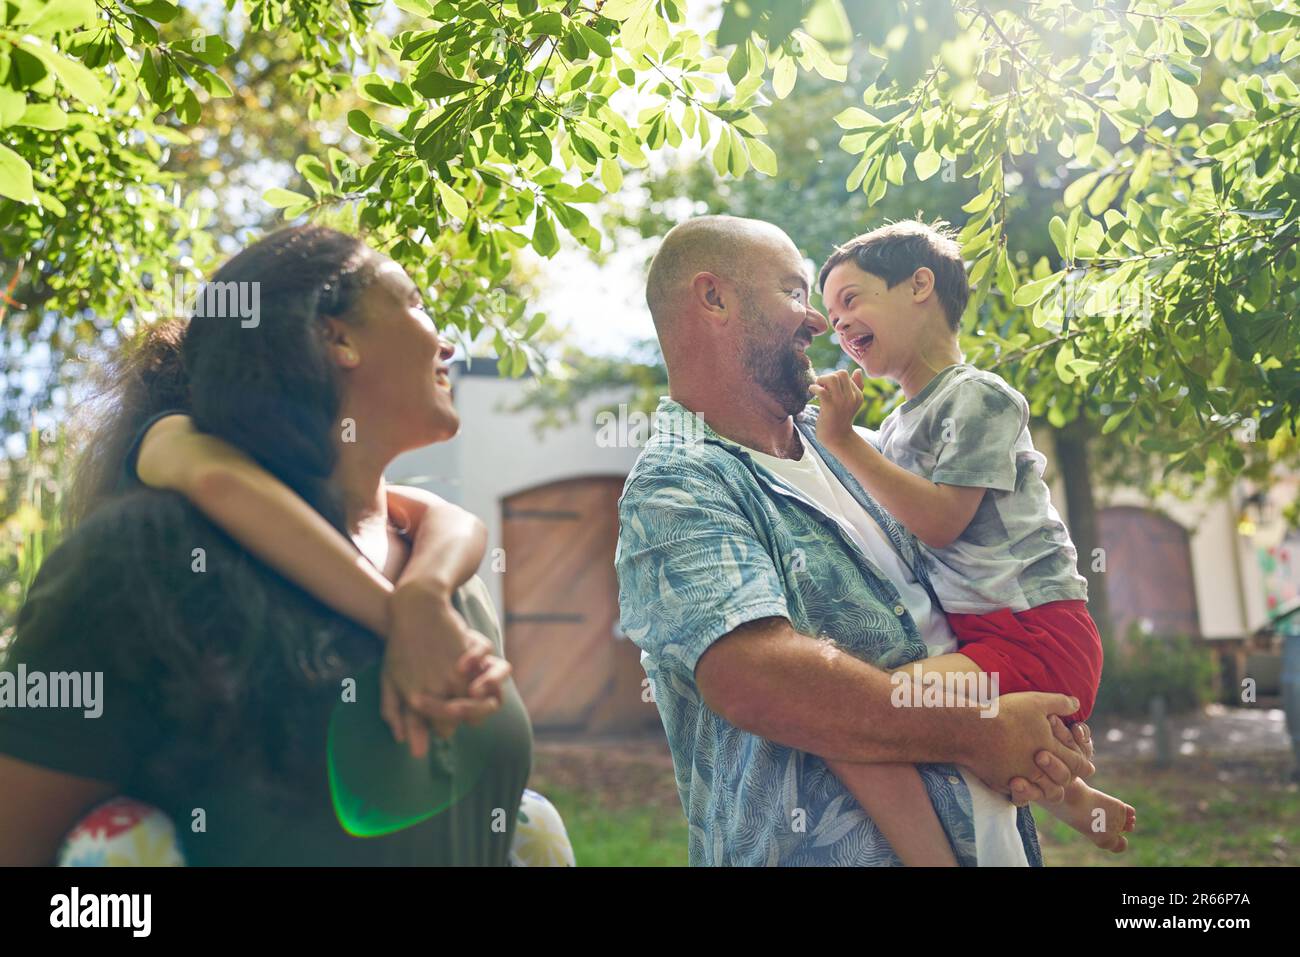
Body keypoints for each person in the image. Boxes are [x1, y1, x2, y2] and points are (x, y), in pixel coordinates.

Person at [0, 225, 532, 865]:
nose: (446, 341)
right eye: (415, 302)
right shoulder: (149, 559)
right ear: (336, 337)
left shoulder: (449, 579)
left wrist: (422, 594)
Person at [615, 214, 1095, 867]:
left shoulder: (859, 449)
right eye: (794, 292)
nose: (819, 323)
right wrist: (979, 729)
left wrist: (1033, 736)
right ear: (714, 297)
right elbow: (756, 679)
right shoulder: (678, 484)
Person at [812, 220, 1134, 865]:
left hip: (1037, 632)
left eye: (850, 300)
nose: (838, 325)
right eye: (828, 314)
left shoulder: (979, 398)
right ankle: (1071, 794)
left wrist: (842, 441)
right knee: (876, 720)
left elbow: (940, 522)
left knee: (860, 721)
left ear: (919, 286)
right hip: (988, 632)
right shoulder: (899, 423)